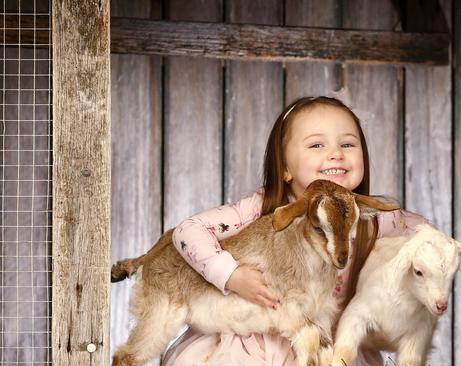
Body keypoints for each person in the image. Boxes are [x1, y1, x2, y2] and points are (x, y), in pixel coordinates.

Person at [162, 96, 430, 366]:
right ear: (285, 168)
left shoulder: (373, 217)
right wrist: (230, 275)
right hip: (253, 340)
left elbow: (427, 238)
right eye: (317, 144)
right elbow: (188, 231)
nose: (336, 153)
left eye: (347, 144)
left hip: (324, 344)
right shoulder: (260, 208)